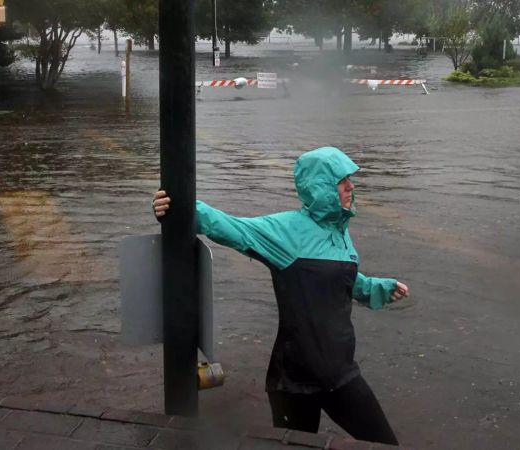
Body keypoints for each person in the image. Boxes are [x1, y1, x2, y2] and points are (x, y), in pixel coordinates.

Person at [152, 146, 409, 445]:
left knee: (385, 443)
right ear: (322, 187)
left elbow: (340, 280)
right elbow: (227, 226)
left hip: (342, 375)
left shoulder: (340, 232)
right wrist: (174, 207)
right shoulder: (285, 232)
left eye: (350, 179)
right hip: (294, 381)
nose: (351, 186)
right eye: (343, 181)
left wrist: (376, 288)